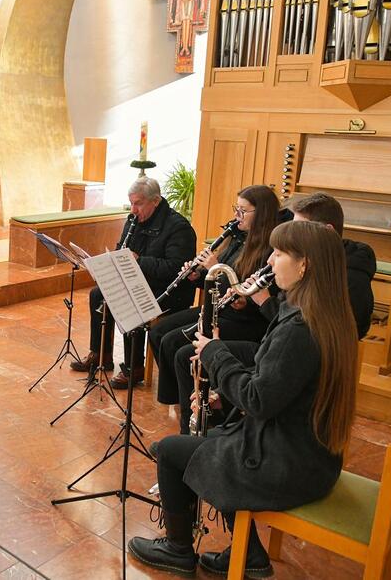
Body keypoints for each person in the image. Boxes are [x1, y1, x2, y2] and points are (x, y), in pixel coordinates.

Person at [129, 220, 358, 577]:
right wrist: (224, 398)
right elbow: (281, 386)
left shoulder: (299, 329)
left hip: (293, 465)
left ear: (304, 265)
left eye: (279, 253)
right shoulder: (324, 314)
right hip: (312, 453)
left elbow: (258, 399)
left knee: (173, 451)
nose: (270, 260)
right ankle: (249, 555)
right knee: (216, 438)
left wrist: (215, 353)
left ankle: (177, 549)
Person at [169, 191, 377, 433]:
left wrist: (264, 302)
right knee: (188, 355)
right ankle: (208, 428)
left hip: (283, 361)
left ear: (326, 231)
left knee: (193, 356)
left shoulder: (344, 281)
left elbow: (297, 348)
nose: (271, 260)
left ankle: (211, 433)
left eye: (298, 229)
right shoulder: (302, 274)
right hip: (275, 350)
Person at [148, 185, 280, 401]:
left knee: (174, 343)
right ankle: (179, 398)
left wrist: (214, 267)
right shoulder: (237, 238)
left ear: (262, 213)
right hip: (221, 309)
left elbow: (244, 293)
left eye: (243, 211)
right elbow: (216, 283)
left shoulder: (268, 250)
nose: (236, 216)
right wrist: (198, 276)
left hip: (245, 320)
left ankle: (191, 401)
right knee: (158, 332)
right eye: (236, 209)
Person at [70, 176, 197, 382]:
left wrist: (139, 261)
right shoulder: (134, 220)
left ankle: (134, 366)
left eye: (138, 203)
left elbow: (175, 269)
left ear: (155, 201)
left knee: (131, 298)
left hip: (170, 290)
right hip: (140, 280)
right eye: (131, 203)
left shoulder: (178, 227)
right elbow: (122, 250)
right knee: (98, 294)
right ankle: (101, 354)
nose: (133, 210)